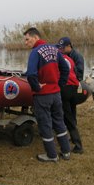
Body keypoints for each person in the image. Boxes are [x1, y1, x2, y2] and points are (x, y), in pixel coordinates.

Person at [23, 27, 71, 162]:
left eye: (27, 39)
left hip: (43, 95)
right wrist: (59, 84)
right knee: (59, 121)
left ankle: (51, 155)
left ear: (35, 37)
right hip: (56, 94)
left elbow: (31, 74)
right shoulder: (54, 49)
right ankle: (66, 151)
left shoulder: (35, 52)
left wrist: (37, 87)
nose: (26, 43)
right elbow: (65, 68)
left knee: (45, 124)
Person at [59, 50, 84, 154]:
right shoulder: (70, 59)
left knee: (67, 117)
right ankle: (72, 139)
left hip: (65, 89)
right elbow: (76, 72)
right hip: (74, 88)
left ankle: (78, 145)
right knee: (71, 115)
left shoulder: (57, 59)